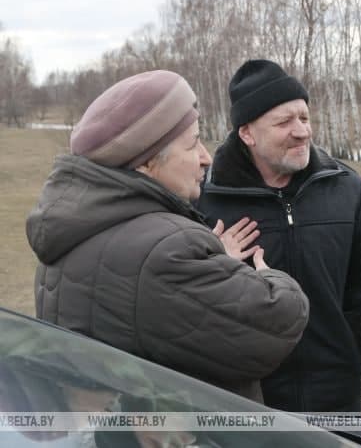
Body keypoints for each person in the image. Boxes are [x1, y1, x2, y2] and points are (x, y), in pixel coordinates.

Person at [26, 70, 309, 403]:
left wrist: (213, 267)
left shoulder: (72, 234)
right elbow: (278, 322)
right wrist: (263, 276)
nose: (206, 157)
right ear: (146, 163)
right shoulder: (169, 249)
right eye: (193, 143)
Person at [197, 59, 361, 412]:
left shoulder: (346, 189)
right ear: (247, 133)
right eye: (284, 122)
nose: (302, 131)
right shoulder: (205, 200)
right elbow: (182, 296)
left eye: (304, 118)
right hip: (247, 403)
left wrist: (360, 339)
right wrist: (217, 263)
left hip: (337, 399)